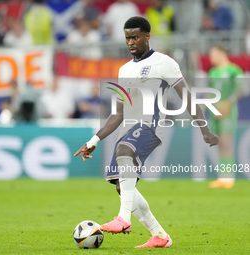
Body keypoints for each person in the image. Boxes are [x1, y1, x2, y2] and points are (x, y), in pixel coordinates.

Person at [74, 16, 219, 248]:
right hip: (128, 129)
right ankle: (160, 236)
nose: (131, 42)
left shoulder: (164, 63)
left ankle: (123, 219)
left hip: (151, 126)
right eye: (127, 38)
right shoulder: (124, 70)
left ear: (147, 36)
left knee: (124, 151)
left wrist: (205, 129)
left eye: (135, 37)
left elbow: (187, 97)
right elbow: (118, 113)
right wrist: (94, 139)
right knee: (123, 186)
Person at [208, 45, 244, 189]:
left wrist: (228, 102)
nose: (211, 57)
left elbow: (242, 89)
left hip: (227, 112)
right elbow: (209, 93)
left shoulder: (233, 70)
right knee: (219, 144)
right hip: (214, 112)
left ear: (222, 54)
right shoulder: (213, 72)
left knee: (226, 142)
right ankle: (222, 177)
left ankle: (229, 177)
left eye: (213, 54)